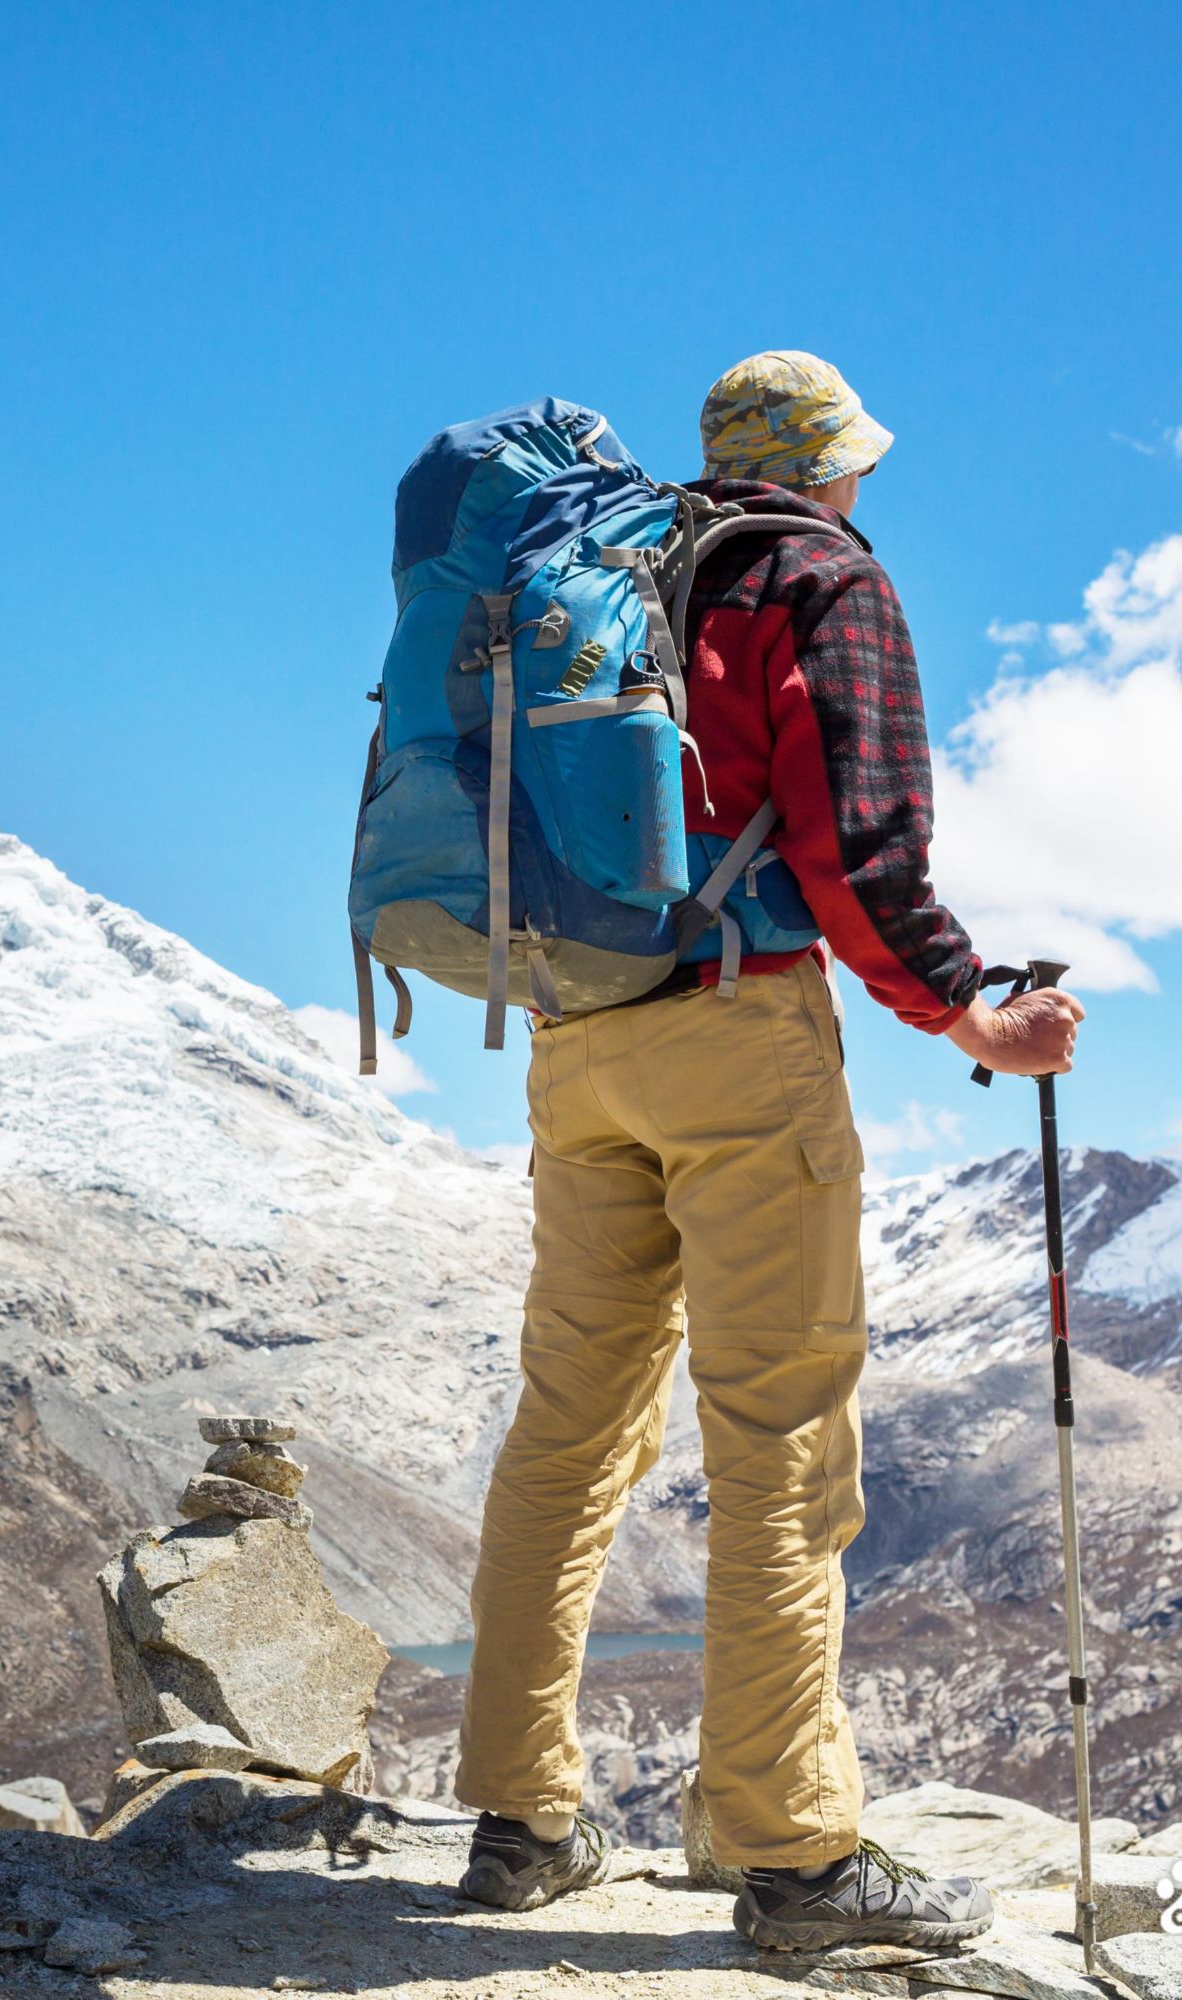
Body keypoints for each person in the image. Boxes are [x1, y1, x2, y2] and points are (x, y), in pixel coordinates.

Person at [452, 351, 1085, 1950]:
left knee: (570, 1431)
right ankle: (792, 1857)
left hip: (576, 1036)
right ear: (826, 467)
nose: (866, 486)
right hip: (738, 1033)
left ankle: (521, 1820)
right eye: (856, 462)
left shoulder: (616, 574)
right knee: (780, 1446)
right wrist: (969, 1020)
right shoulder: (818, 578)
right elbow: (857, 840)